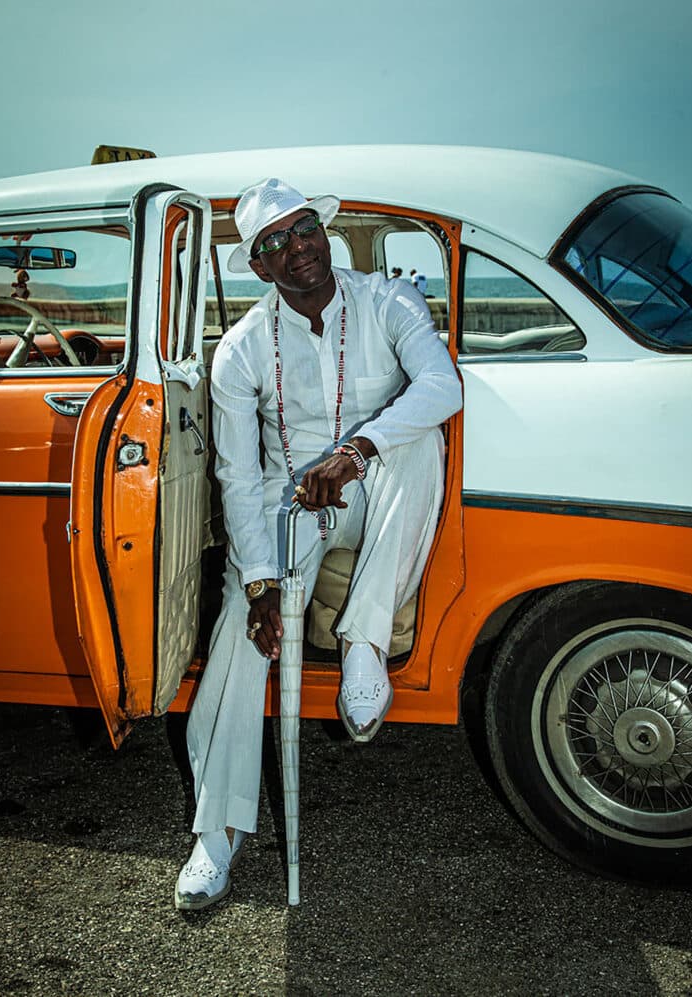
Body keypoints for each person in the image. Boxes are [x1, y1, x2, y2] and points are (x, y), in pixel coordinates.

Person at [175, 178, 462, 910]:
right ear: (261, 266)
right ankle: (218, 829)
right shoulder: (239, 349)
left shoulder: (387, 299)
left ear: (322, 231)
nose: (295, 249)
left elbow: (441, 383)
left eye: (302, 230)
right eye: (273, 244)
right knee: (242, 635)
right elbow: (238, 476)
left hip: (376, 479)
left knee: (420, 440)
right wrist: (261, 586)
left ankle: (364, 639)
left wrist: (357, 449)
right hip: (288, 502)